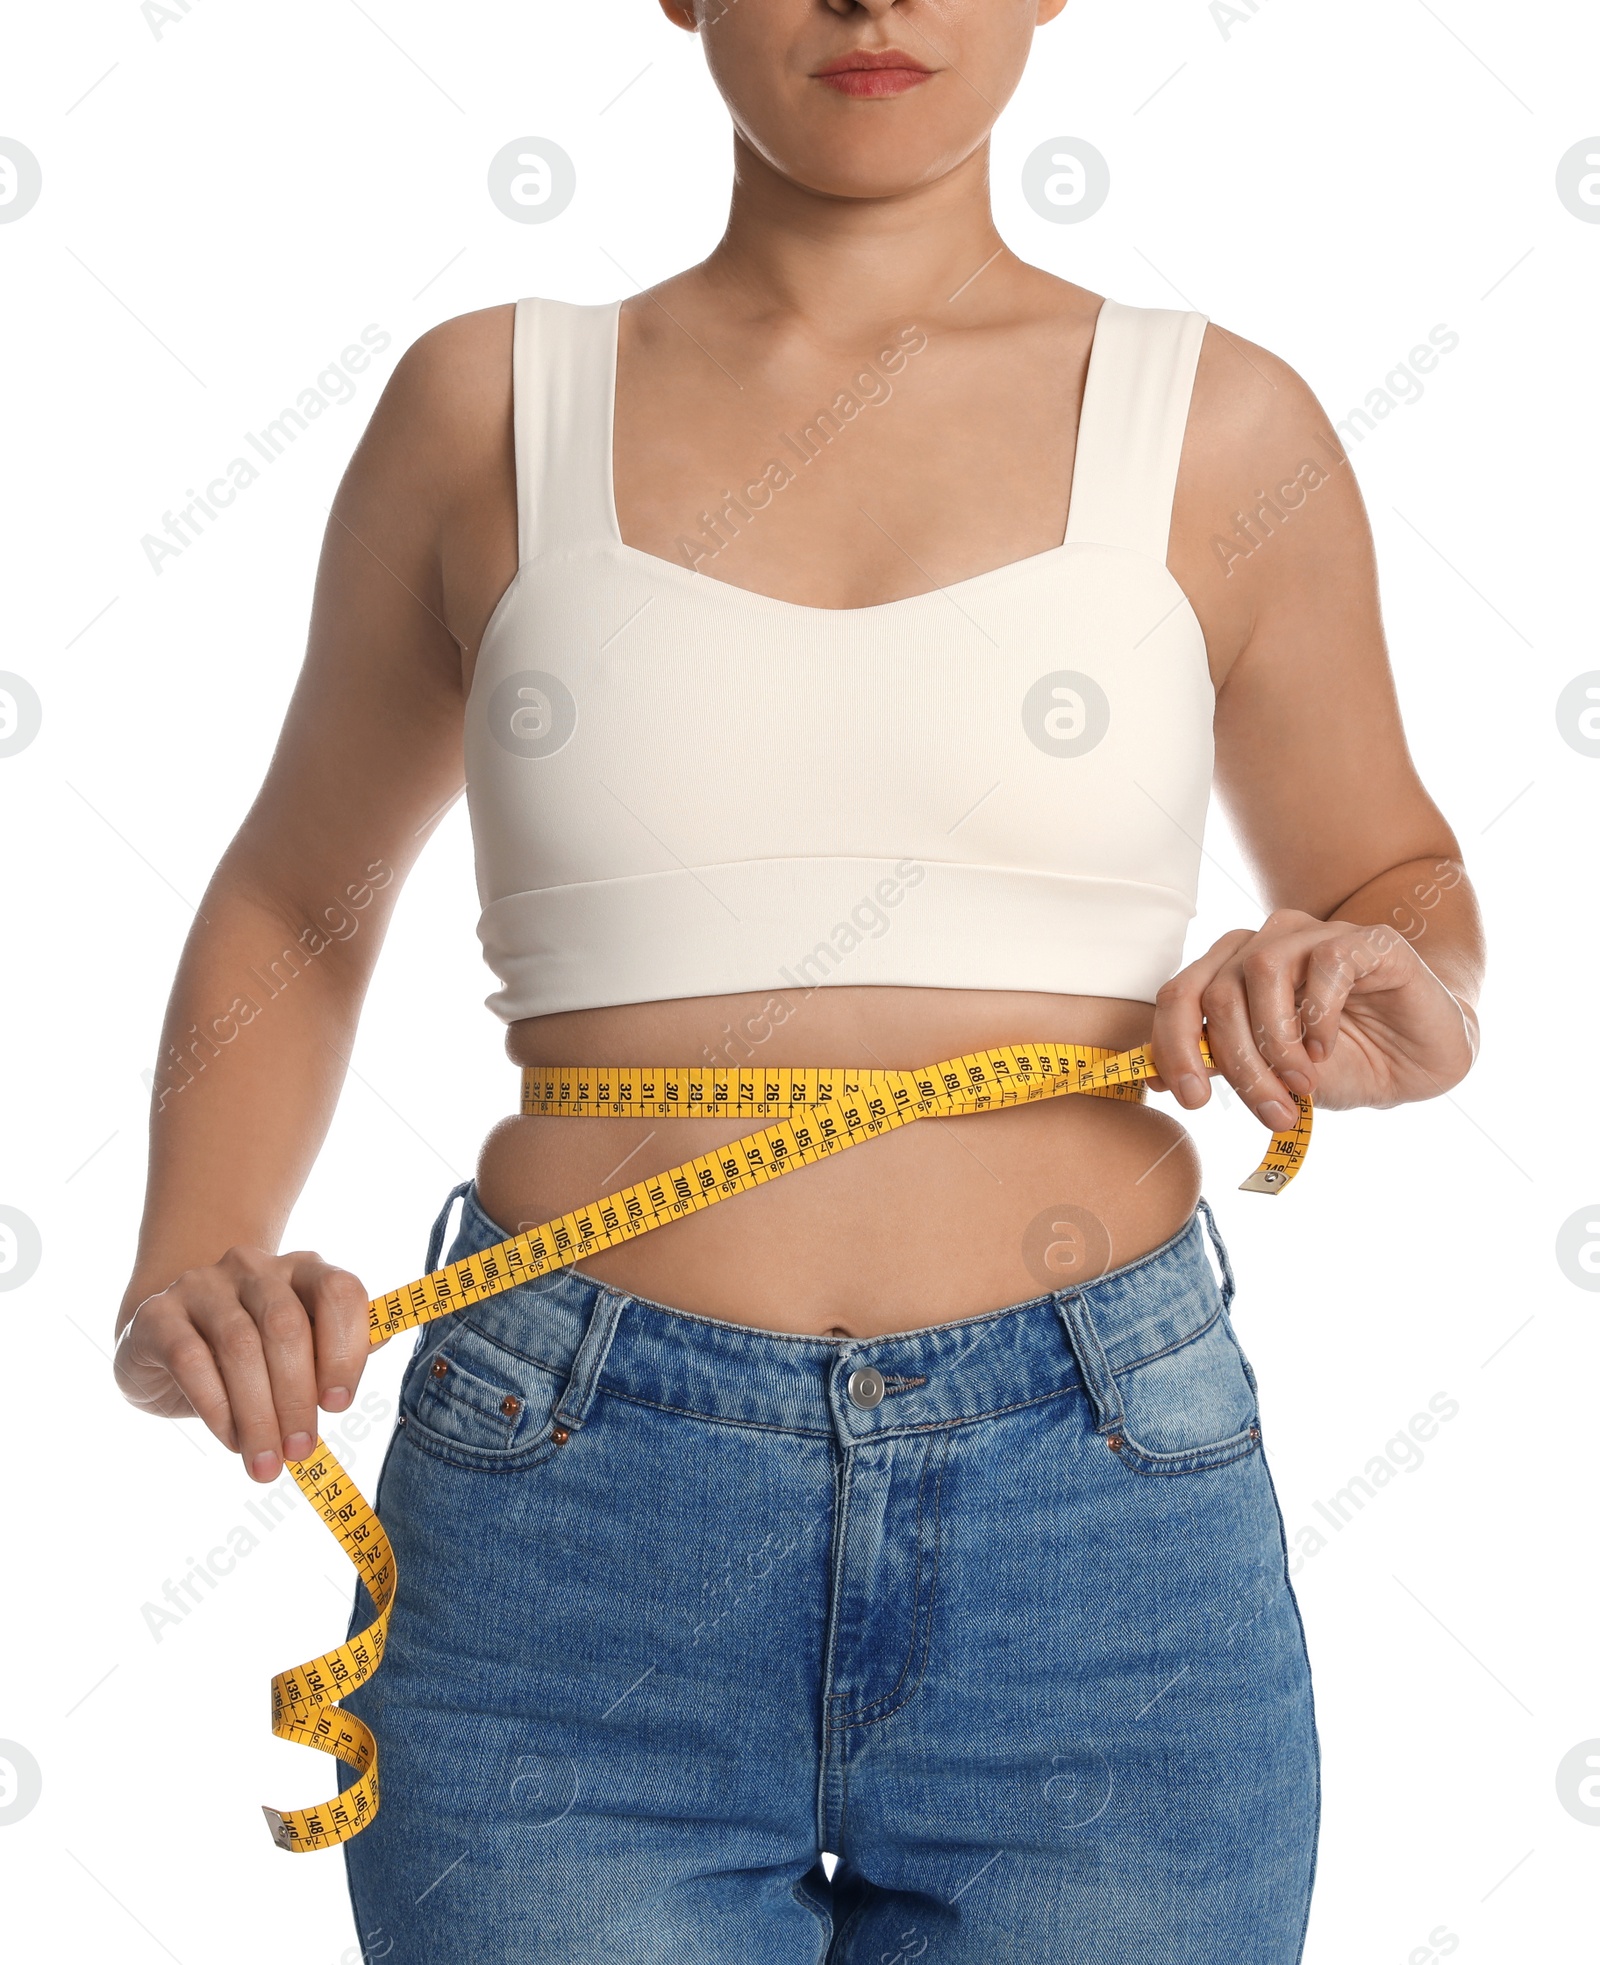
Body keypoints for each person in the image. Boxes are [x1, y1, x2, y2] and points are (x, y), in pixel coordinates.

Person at [112, 2, 1484, 1959]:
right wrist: (194, 1253)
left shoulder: (1221, 424)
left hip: (1100, 1534)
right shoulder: (486, 407)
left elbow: (1396, 878)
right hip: (562, 1522)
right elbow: (293, 891)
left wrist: (1368, 966)